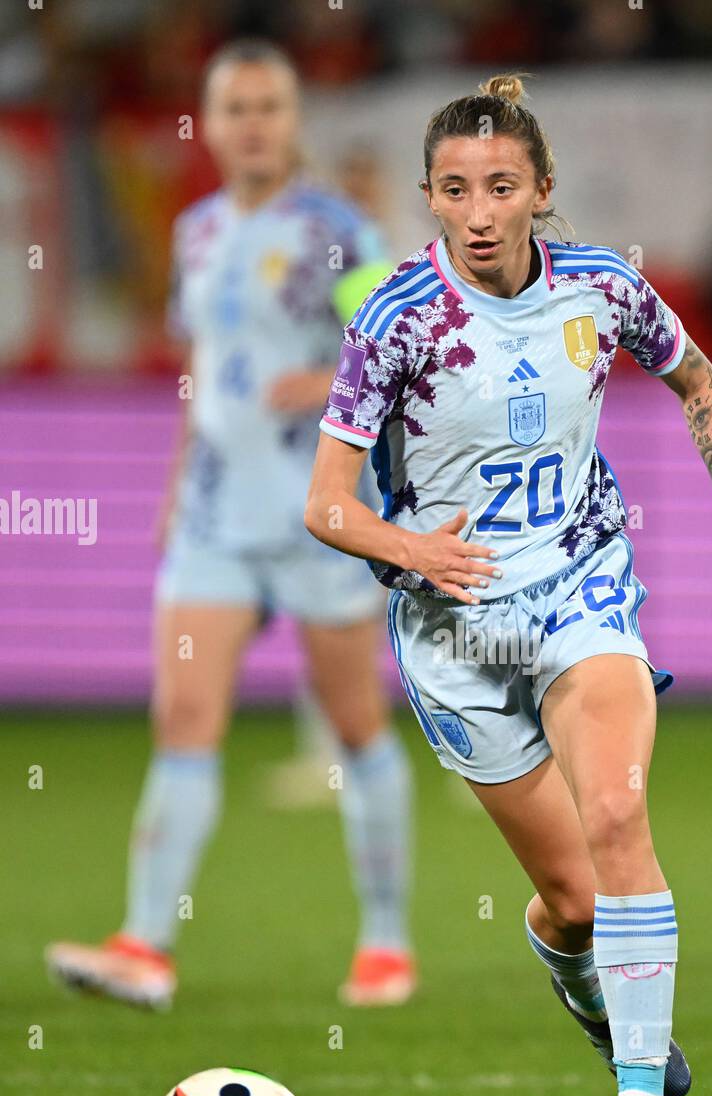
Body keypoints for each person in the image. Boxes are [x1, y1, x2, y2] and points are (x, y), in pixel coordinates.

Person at [304, 72, 712, 1096]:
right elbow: (327, 504)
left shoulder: (604, 288)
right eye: (453, 189)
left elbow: (701, 383)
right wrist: (409, 549)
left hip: (583, 593)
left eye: (499, 186)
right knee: (575, 901)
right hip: (459, 637)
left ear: (541, 189)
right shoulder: (395, 319)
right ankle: (598, 1004)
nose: (478, 211)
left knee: (622, 812)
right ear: (429, 199)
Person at [46, 39, 416, 1010]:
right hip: (216, 509)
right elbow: (205, 373)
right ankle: (147, 944)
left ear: (294, 122)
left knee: (354, 723)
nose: (252, 124)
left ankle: (384, 940)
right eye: (235, 109)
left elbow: (389, 349)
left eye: (269, 107)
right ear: (208, 125)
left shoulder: (337, 231)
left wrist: (326, 381)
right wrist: (175, 484)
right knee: (184, 718)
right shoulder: (199, 232)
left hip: (317, 512)